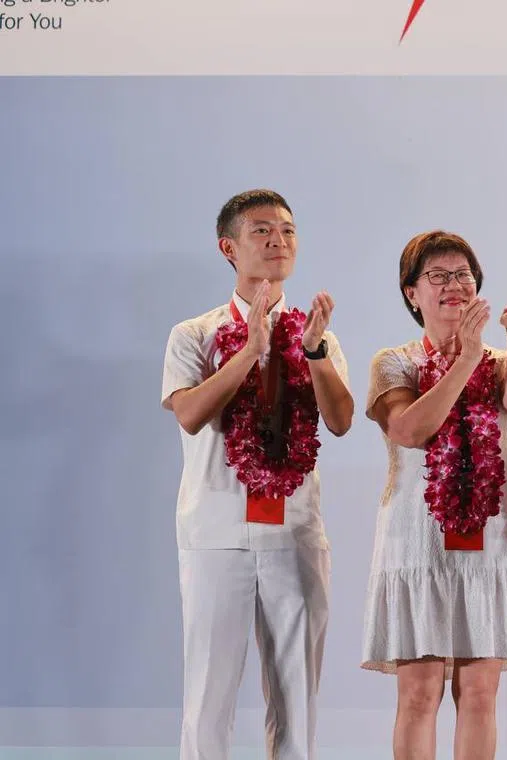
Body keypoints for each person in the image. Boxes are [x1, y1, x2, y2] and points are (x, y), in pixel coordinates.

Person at [161, 189, 354, 760]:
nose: (278, 241)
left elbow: (341, 421)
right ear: (229, 248)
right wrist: (249, 351)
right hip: (215, 533)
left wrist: (314, 351)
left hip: (294, 533)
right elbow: (192, 414)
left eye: (288, 231)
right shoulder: (193, 333)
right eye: (262, 231)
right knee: (208, 695)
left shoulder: (318, 332)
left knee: (296, 695)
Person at [362, 230, 507, 760]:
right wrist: (466, 358)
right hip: (417, 541)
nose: (453, 286)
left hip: (491, 538)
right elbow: (409, 429)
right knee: (420, 692)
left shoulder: (496, 359)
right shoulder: (393, 361)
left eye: (463, 275)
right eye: (438, 276)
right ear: (411, 292)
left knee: (480, 693)